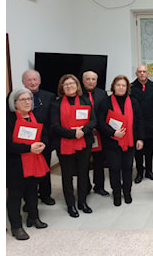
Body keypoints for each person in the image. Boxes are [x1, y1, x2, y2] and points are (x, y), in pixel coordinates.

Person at [51, 74, 97, 217]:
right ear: (62, 88)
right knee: (67, 175)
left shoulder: (85, 101)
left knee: (83, 173)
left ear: (77, 86)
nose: (69, 86)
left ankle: (82, 202)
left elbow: (93, 120)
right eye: (66, 85)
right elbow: (54, 126)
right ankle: (70, 204)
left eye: (72, 84)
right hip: (65, 143)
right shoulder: (56, 104)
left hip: (84, 142)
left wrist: (83, 131)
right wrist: (72, 134)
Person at [7, 88, 49, 240]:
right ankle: (16, 227)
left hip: (34, 160)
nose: (27, 102)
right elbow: (7, 143)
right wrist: (28, 148)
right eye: (23, 99)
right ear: (14, 103)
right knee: (15, 195)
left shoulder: (35, 116)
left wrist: (43, 143)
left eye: (29, 99)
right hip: (15, 163)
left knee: (32, 191)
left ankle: (33, 217)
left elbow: (44, 133)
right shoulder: (8, 119)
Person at [97, 75, 144, 206]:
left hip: (130, 142)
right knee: (114, 169)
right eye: (118, 85)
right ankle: (116, 194)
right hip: (112, 142)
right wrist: (113, 133)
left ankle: (127, 192)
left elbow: (139, 121)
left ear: (127, 87)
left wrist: (140, 138)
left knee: (128, 168)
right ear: (113, 87)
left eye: (123, 85)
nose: (121, 87)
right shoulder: (105, 102)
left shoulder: (133, 102)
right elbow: (100, 123)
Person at [21, 70, 56, 206]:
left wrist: (47, 141)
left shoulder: (49, 96)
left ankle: (45, 194)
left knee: (45, 170)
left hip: (44, 140)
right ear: (23, 82)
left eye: (35, 79)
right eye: (29, 80)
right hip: (24, 144)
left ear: (40, 81)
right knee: (27, 173)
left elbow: (53, 120)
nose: (32, 82)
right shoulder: (17, 97)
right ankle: (29, 200)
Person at [130, 65, 153, 183]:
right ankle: (139, 172)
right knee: (138, 150)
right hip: (137, 123)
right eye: (140, 72)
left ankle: (149, 171)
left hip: (151, 123)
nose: (142, 74)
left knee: (150, 149)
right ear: (136, 74)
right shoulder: (131, 88)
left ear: (148, 73)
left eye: (144, 72)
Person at [81, 70, 109, 197]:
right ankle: (85, 186)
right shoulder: (78, 94)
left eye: (93, 79)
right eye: (88, 79)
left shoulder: (102, 94)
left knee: (99, 161)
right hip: (83, 133)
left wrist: (100, 127)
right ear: (83, 81)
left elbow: (106, 112)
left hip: (100, 132)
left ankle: (99, 186)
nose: (91, 81)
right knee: (84, 161)